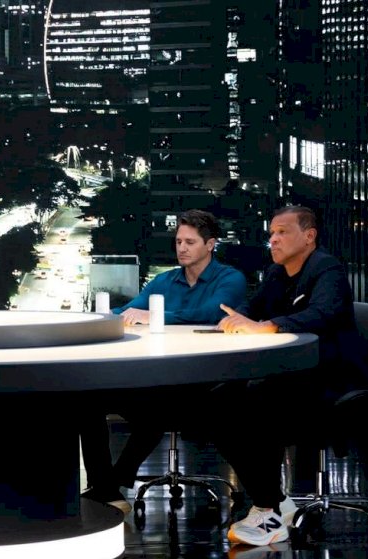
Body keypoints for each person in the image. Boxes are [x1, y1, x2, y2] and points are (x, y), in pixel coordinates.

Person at [215, 204, 368, 546]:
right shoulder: (277, 273)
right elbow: (253, 306)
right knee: (220, 400)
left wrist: (268, 326)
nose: (273, 239)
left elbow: (322, 314)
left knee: (256, 404)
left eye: (282, 232)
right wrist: (237, 318)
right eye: (271, 233)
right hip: (292, 373)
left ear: (309, 236)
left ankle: (267, 511)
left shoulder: (326, 269)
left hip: (333, 379)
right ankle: (273, 501)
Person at [81, 210, 247, 512]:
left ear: (210, 245)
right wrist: (102, 319)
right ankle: (104, 487)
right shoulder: (164, 281)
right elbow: (128, 312)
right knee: (88, 400)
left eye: (190, 242)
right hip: (161, 379)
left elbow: (213, 313)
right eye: (178, 241)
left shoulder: (230, 278)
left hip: (207, 386)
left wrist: (155, 316)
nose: (181, 248)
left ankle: (114, 481)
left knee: (157, 404)